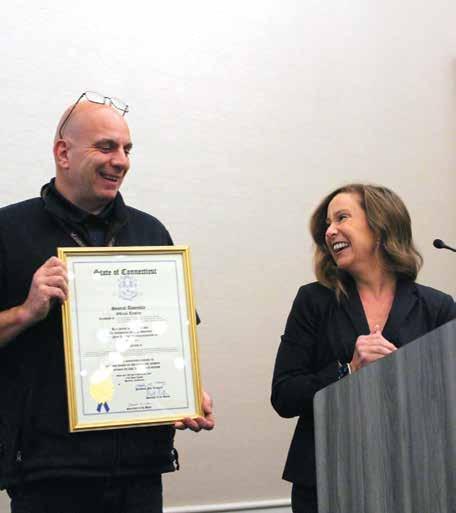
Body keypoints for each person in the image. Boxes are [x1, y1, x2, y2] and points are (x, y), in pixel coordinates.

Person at [0, 91, 214, 513]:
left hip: (140, 469)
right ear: (63, 153)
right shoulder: (9, 231)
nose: (121, 161)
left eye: (127, 149)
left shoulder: (151, 233)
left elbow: (171, 339)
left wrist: (186, 392)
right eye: (106, 147)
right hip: (48, 473)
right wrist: (25, 312)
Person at [271, 183, 456, 513]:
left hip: (415, 479)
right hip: (327, 480)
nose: (330, 231)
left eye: (342, 218)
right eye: (327, 224)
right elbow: (284, 396)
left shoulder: (437, 307)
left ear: (381, 225)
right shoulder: (313, 301)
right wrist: (348, 371)